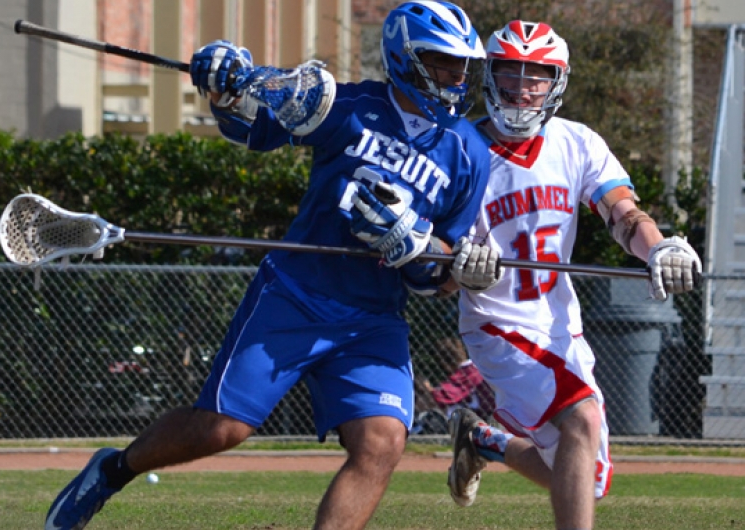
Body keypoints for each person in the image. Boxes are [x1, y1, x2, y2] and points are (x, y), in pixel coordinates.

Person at [44, 2, 502, 529]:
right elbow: (253, 128)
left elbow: (435, 279)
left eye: (463, 64)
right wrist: (227, 86)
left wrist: (445, 260)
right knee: (221, 429)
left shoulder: (468, 151)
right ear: (403, 56)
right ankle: (113, 469)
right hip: (297, 293)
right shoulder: (348, 105)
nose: (456, 75)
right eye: (441, 61)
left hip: (373, 318)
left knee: (382, 443)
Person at [444, 20, 703, 530]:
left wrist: (659, 249)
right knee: (581, 419)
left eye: (536, 75)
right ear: (489, 75)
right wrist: (455, 270)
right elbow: (432, 259)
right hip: (498, 321)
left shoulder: (576, 142)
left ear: (557, 82)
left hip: (560, 325)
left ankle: (483, 440)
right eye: (511, 73)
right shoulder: (459, 145)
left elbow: (624, 215)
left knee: (590, 477)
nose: (522, 87)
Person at [412, 336, 495, 434]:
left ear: (444, 363)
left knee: (428, 400)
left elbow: (441, 396)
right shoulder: (477, 366)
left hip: (474, 416)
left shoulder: (466, 372)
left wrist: (427, 388)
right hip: (480, 414)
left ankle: (416, 423)